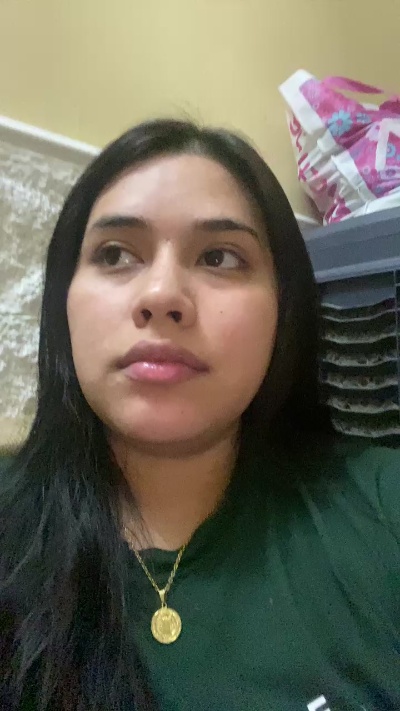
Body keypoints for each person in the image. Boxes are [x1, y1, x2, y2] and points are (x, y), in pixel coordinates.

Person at [0, 119, 399, 711]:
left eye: (219, 257)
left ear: (284, 309)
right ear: (63, 304)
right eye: (115, 254)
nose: (161, 295)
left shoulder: (382, 508)